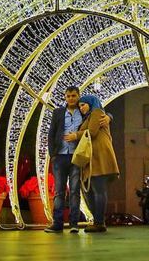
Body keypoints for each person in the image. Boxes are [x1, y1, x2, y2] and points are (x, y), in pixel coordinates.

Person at [44, 86, 111, 234]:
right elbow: (51, 133)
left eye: (74, 96)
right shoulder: (58, 112)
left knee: (75, 191)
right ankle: (57, 223)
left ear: (78, 96)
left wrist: (109, 116)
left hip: (77, 157)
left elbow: (98, 114)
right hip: (60, 156)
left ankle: (74, 224)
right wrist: (52, 155)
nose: (71, 99)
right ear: (65, 97)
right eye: (68, 96)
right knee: (59, 192)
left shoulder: (85, 113)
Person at [66, 94, 119, 233]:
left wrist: (75, 135)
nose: (81, 108)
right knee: (91, 191)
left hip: (99, 158)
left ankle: (99, 222)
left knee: (98, 190)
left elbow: (93, 132)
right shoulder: (90, 116)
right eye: (80, 106)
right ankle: (98, 221)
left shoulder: (96, 112)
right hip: (92, 159)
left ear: (90, 103)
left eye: (83, 105)